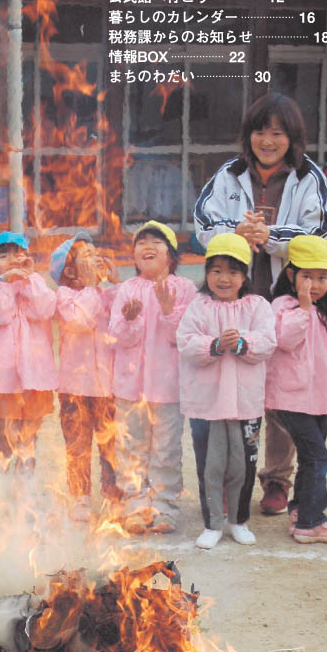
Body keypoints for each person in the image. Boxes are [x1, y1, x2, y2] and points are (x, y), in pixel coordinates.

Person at [193, 92, 327, 517]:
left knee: (282, 392)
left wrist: (270, 236)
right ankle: (228, 479)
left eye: (278, 132)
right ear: (248, 135)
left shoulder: (309, 177)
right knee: (232, 385)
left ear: (293, 137)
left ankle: (276, 479)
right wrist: (236, 231)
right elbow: (203, 222)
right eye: (260, 131)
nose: (267, 140)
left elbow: (322, 234)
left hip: (283, 296)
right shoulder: (229, 173)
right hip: (233, 295)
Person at [176, 235, 276, 550]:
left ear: (244, 276)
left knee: (243, 465)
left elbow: (268, 341)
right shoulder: (198, 307)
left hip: (245, 404)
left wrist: (243, 344)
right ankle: (212, 523)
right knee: (210, 465)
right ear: (206, 273)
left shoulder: (257, 306)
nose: (224, 278)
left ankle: (238, 520)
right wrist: (215, 345)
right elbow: (186, 342)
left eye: (233, 272)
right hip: (207, 404)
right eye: (216, 270)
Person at [265, 236, 327, 543]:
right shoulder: (283, 306)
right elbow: (284, 340)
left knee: (310, 457)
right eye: (307, 276)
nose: (315, 284)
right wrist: (304, 308)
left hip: (319, 398)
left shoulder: (326, 310)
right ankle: (311, 522)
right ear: (291, 275)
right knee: (317, 456)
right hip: (290, 398)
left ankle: (300, 511)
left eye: (322, 277)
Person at [108, 221, 197, 532]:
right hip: (129, 389)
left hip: (167, 388)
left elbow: (184, 338)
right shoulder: (126, 289)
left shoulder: (185, 289)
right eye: (141, 242)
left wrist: (170, 311)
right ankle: (133, 503)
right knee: (130, 446)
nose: (147, 246)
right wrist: (130, 320)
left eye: (156, 242)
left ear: (171, 255)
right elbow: (117, 336)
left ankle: (164, 506)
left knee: (166, 449)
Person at [51, 231, 123, 522]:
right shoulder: (64, 295)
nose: (95, 256)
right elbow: (79, 321)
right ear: (69, 270)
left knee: (112, 444)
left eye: (96, 251)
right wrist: (94, 288)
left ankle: (113, 496)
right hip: (74, 388)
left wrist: (115, 282)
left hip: (107, 386)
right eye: (86, 255)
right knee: (77, 446)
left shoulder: (106, 293)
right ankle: (80, 497)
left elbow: (126, 311)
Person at [0, 231, 57, 474]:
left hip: (37, 376)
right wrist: (4, 284)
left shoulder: (35, 282)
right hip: (3, 380)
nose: (11, 260)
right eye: (2, 256)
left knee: (28, 442)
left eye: (18, 255)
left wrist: (30, 279)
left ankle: (24, 500)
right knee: (5, 443)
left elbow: (45, 309)